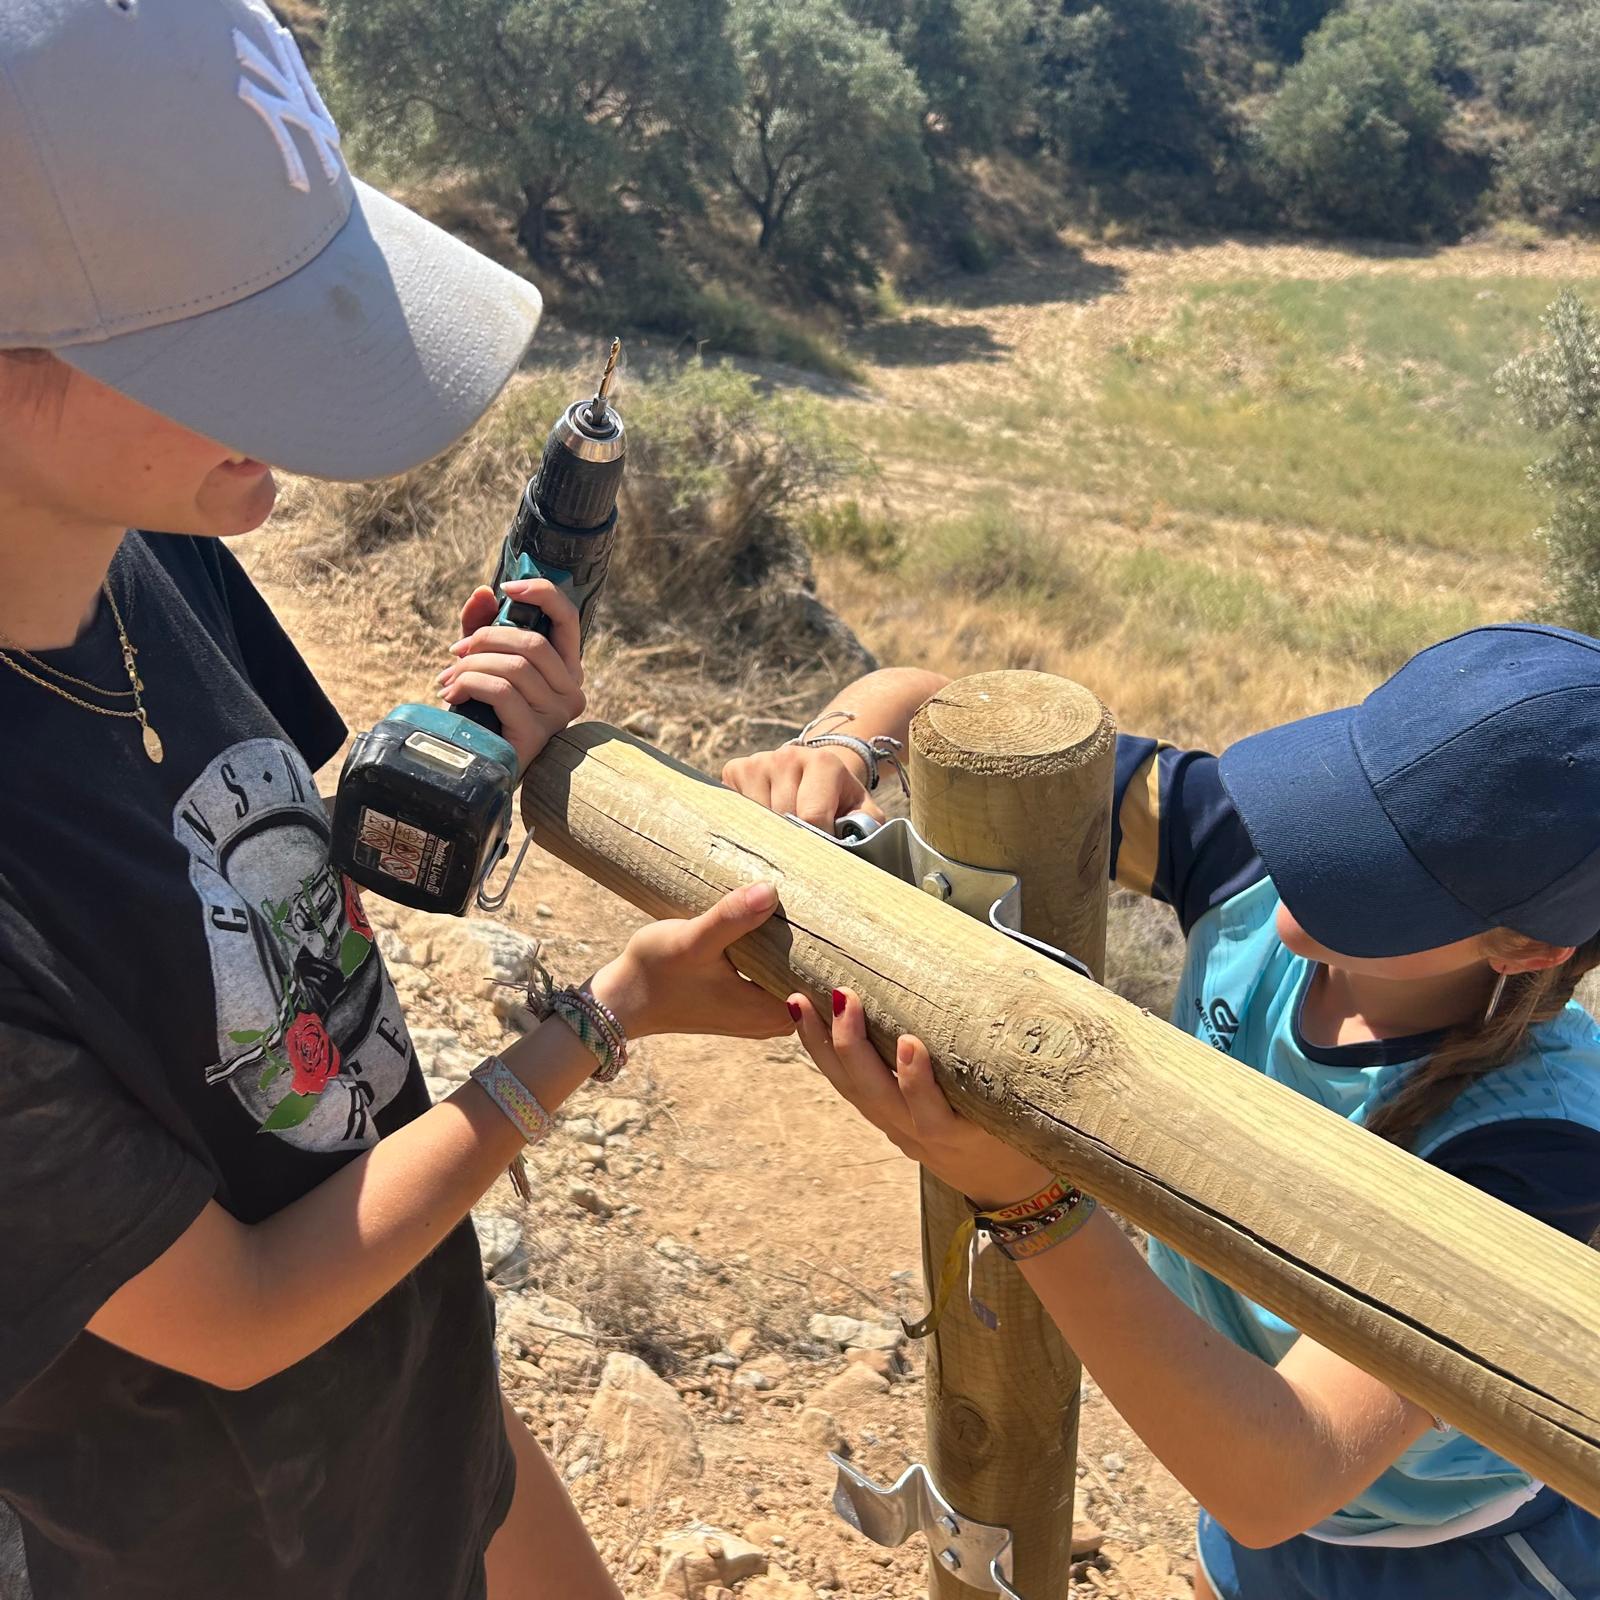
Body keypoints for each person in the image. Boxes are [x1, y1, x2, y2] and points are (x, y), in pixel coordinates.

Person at [0, 4, 790, 1597]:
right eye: (230, 343)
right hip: (223, 1536)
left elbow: (257, 856)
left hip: (414, 1379)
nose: (293, 403)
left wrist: (449, 749)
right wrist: (601, 1022)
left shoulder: (147, 551)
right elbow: (231, 1320)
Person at [725, 641, 1600, 1600]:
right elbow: (950, 705)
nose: (1321, 854)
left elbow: (1282, 1476)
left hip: (1460, 1556)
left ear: (1523, 946)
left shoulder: (1535, 1150)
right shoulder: (1254, 853)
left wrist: (1028, 1199)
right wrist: (842, 752)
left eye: (1389, 866)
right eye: (1351, 799)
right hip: (1246, 1498)